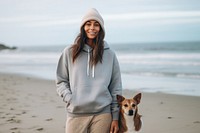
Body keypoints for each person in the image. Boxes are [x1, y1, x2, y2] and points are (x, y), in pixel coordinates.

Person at [56, 8, 122, 133]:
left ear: (101, 29)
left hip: (103, 114)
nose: (92, 28)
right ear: (82, 27)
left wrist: (115, 117)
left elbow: (116, 87)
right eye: (88, 24)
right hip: (76, 113)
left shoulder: (110, 55)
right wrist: (70, 98)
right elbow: (61, 80)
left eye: (96, 24)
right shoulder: (69, 52)